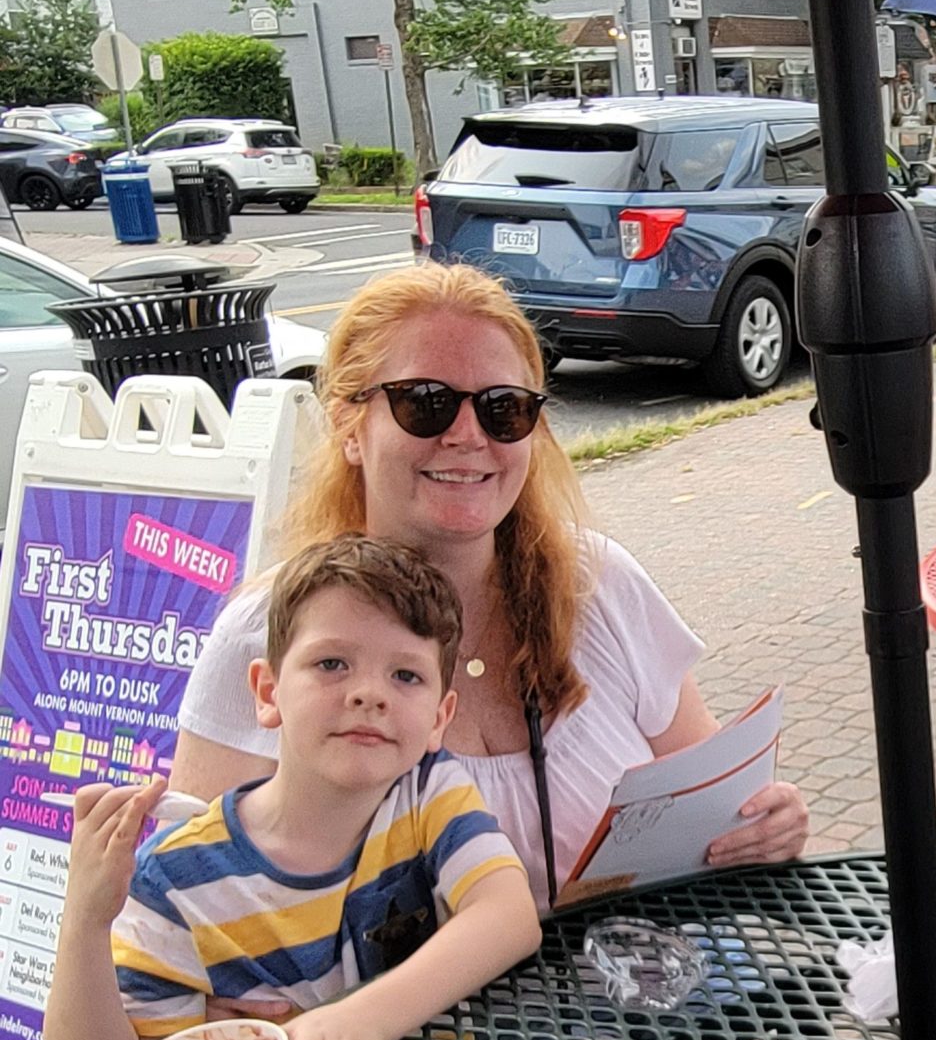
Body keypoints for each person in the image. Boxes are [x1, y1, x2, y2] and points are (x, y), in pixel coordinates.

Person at [172, 266, 809, 921]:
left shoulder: (597, 583)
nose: (468, 435)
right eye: (426, 401)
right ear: (347, 424)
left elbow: (704, 787)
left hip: (644, 1001)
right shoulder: (271, 628)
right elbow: (192, 911)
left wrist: (758, 823)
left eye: (504, 407)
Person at [46, 535, 542, 1040]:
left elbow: (509, 917)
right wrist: (84, 921)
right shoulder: (175, 880)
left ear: (441, 717)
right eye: (332, 664)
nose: (369, 693)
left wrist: (360, 1022)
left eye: (406, 675)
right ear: (266, 692)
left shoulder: (428, 794)